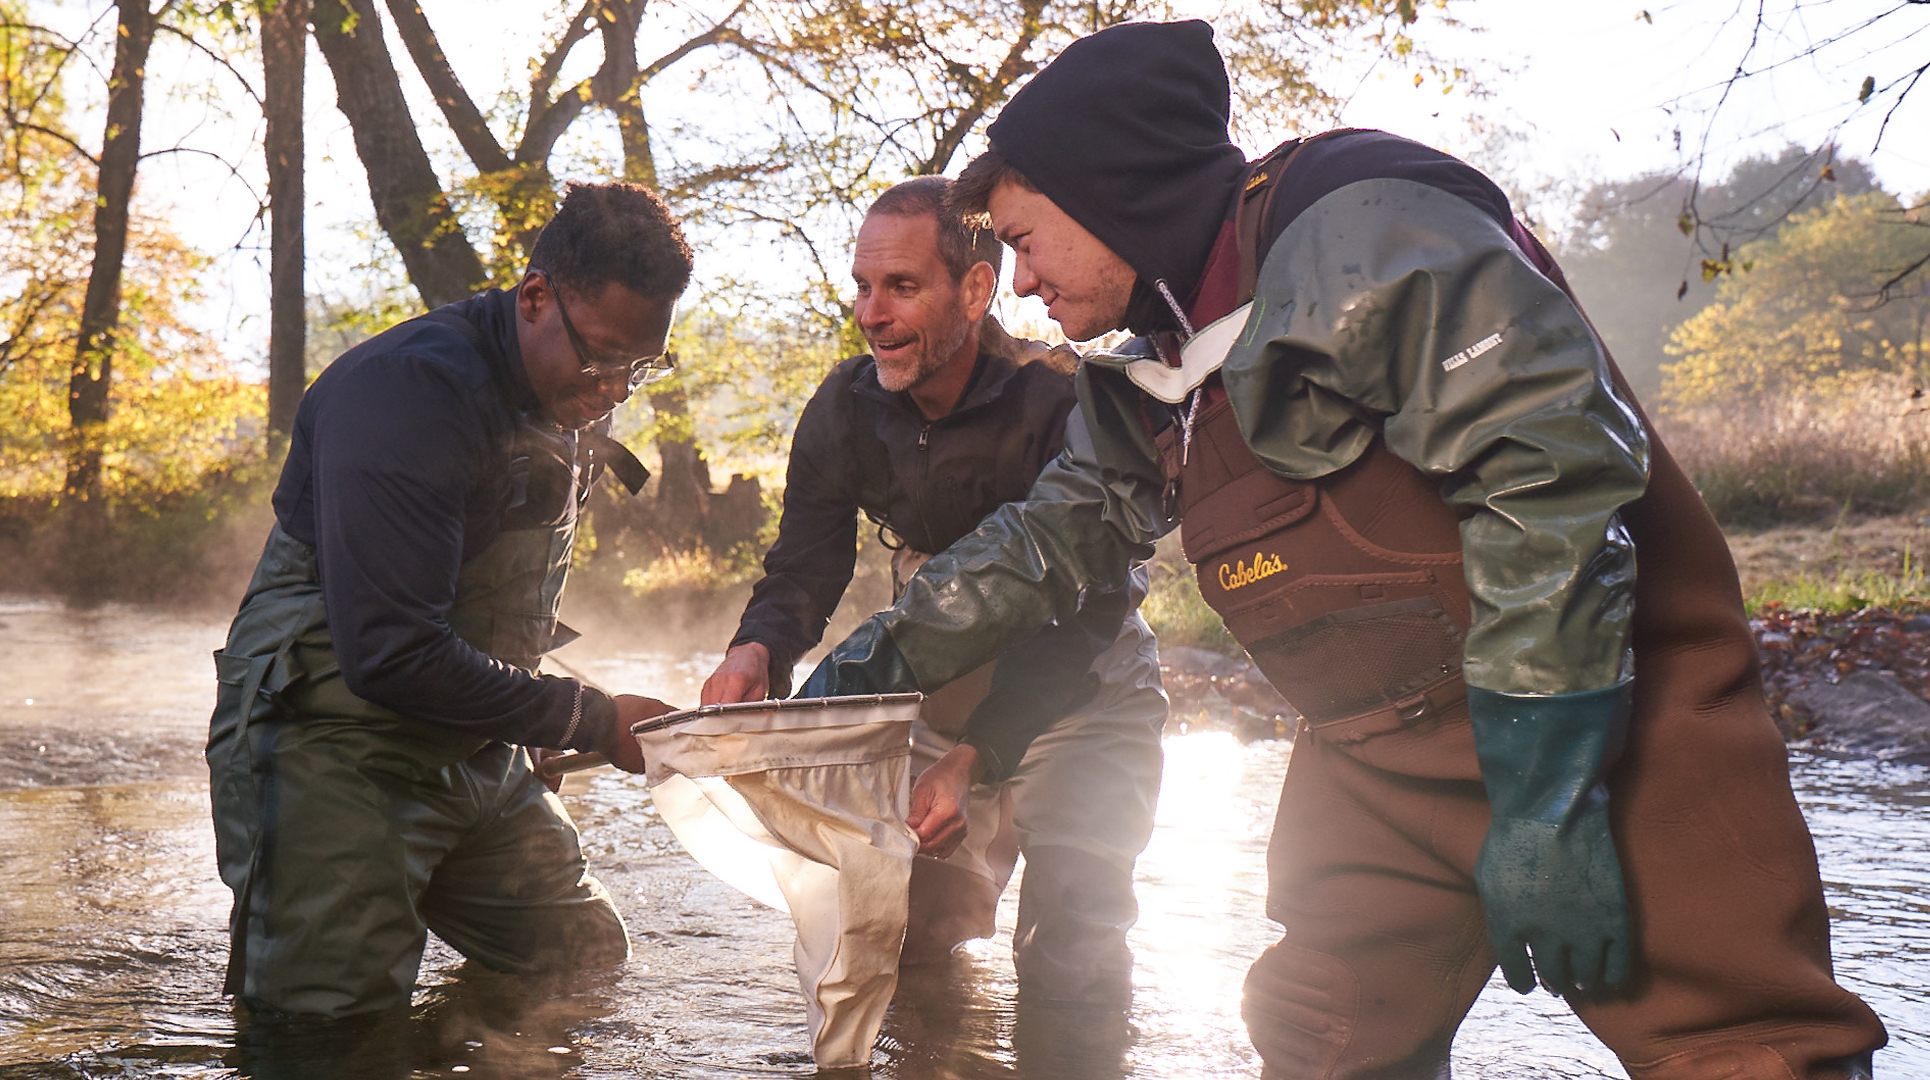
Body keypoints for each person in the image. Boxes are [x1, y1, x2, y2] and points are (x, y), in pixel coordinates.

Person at [800, 21, 1888, 1080]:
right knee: (1323, 1041)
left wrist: (1546, 796)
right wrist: (862, 671)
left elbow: (1548, 487)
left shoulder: (1365, 228)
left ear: (1110, 191)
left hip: (1598, 716)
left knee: (1742, 1049)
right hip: (1369, 762)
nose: (1024, 281)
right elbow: (1043, 541)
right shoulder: (1152, 375)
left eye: (1027, 240)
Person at [207, 181, 690, 1020]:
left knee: (576, 960)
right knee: (330, 1030)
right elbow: (390, 651)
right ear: (534, 297)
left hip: (469, 740)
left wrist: (529, 718)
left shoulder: (564, 395)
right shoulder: (406, 395)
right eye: (603, 359)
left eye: (639, 367)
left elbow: (495, 594)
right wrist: (589, 719)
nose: (615, 389)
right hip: (333, 742)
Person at [702, 176, 1167, 1004]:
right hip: (937, 679)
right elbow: (805, 565)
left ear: (977, 290)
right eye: (862, 286)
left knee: (1071, 956)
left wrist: (976, 758)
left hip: (1084, 681)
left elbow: (1089, 612)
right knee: (900, 934)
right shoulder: (845, 408)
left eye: (902, 287)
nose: (871, 313)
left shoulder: (1062, 404)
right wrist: (758, 648)